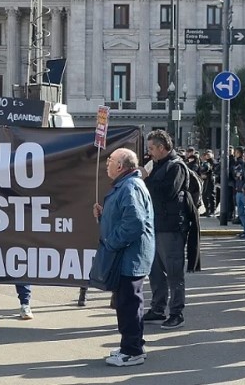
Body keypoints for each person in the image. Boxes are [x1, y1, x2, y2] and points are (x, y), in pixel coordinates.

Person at [93, 148, 155, 366]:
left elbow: (134, 223)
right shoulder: (126, 185)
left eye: (110, 160)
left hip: (130, 257)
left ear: (120, 166)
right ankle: (131, 345)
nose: (107, 164)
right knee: (126, 303)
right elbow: (125, 217)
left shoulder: (130, 186)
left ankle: (132, 351)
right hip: (127, 256)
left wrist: (111, 242)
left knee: (129, 305)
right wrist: (104, 215)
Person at [143, 129, 188, 330]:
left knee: (173, 272)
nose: (149, 152)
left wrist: (146, 178)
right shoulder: (157, 165)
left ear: (162, 147)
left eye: (151, 148)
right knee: (155, 271)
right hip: (155, 225)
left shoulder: (175, 166)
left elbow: (168, 192)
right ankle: (158, 308)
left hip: (171, 227)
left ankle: (176, 313)